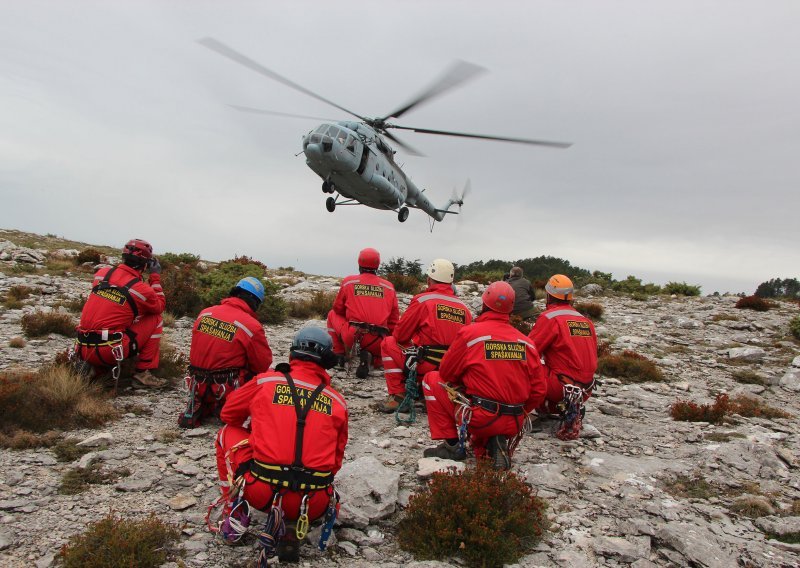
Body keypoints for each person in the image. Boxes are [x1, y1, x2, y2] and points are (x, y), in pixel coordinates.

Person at [214, 326, 347, 563]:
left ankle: (233, 516)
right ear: (327, 362)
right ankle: (291, 523)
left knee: (227, 433)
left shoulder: (266, 381)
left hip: (262, 492)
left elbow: (229, 414)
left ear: (291, 355)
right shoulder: (337, 401)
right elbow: (336, 462)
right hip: (314, 502)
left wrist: (260, 431)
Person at [421, 281, 546, 469]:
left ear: (484, 303)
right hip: (514, 421)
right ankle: (493, 440)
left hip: (480, 417)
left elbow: (446, 373)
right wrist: (520, 413)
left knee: (432, 379)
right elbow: (539, 390)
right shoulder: (526, 342)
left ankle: (452, 445)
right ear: (511, 309)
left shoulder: (470, 334)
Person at [378, 258, 472, 413]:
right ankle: (428, 393)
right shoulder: (464, 308)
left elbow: (400, 335)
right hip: (452, 372)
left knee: (388, 343)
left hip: (425, 365)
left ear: (429, 280)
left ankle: (398, 395)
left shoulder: (423, 300)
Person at [179, 277, 273, 428]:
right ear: (255, 301)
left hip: (197, 382)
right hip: (226, 387)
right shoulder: (251, 325)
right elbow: (262, 364)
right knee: (266, 376)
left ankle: (200, 401)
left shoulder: (205, 313)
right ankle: (229, 406)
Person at [74, 238, 166, 388]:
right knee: (156, 318)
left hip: (82, 347)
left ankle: (94, 369)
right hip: (111, 349)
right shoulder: (141, 290)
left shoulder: (101, 274)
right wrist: (155, 277)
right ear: (145, 264)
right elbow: (159, 306)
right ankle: (143, 373)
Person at [528, 274, 598, 421]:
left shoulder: (550, 318)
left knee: (519, 365)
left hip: (561, 387)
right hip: (585, 390)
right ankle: (563, 407)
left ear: (549, 294)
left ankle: (517, 411)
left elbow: (529, 351)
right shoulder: (585, 321)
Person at [326, 248, 399, 378]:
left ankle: (339, 355)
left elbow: (337, 308)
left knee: (332, 314)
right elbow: (394, 322)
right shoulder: (389, 286)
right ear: (377, 265)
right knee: (377, 347)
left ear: (359, 263)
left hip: (354, 335)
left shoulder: (349, 281)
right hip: (378, 340)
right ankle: (374, 359)